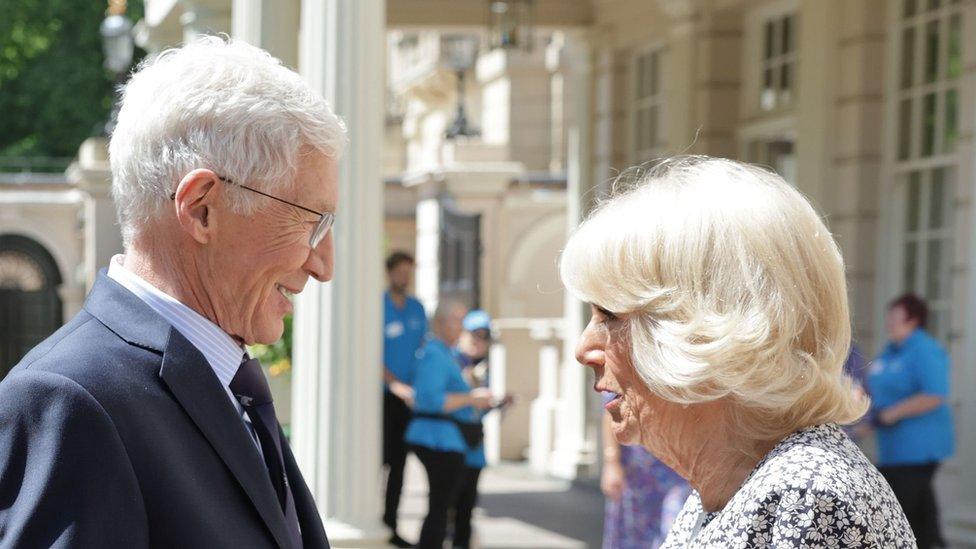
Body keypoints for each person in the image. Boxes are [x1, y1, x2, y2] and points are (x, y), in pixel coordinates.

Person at [0, 37, 344, 548]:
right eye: (311, 223)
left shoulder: (225, 377)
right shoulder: (66, 402)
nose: (324, 264)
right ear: (201, 208)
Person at [561, 157, 915, 547]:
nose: (585, 348)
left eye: (609, 314)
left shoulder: (805, 497)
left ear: (711, 326)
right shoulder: (733, 489)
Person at [867, 294, 954, 549]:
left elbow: (934, 395)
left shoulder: (925, 350)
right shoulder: (890, 351)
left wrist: (890, 414)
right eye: (889, 317)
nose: (889, 323)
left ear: (913, 320)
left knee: (898, 511)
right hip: (893, 449)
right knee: (921, 516)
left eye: (895, 318)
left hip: (919, 449)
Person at [405, 301, 493, 549]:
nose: (461, 327)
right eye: (456, 320)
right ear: (440, 324)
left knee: (445, 507)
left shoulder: (447, 354)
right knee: (441, 506)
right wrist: (472, 397)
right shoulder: (435, 354)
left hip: (449, 440)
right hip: (438, 440)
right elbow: (430, 400)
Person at [381, 251, 428, 547]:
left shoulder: (417, 308)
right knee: (379, 462)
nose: (405, 277)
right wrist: (395, 384)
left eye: (408, 272)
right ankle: (371, 518)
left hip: (410, 400)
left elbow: (422, 349)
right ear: (390, 273)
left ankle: (391, 524)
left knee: (399, 464)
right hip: (384, 397)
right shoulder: (378, 305)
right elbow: (371, 353)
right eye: (400, 271)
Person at [600, 396, 690, 549]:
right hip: (636, 472)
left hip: (677, 469)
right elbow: (611, 412)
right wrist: (611, 462)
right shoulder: (624, 373)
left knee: (677, 530)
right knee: (632, 534)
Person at [450, 309, 495, 549]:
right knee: (448, 506)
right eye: (474, 334)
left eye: (485, 336)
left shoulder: (486, 366)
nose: (479, 341)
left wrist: (494, 404)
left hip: (474, 444)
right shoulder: (450, 360)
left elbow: (480, 411)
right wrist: (470, 397)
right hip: (451, 442)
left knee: (467, 506)